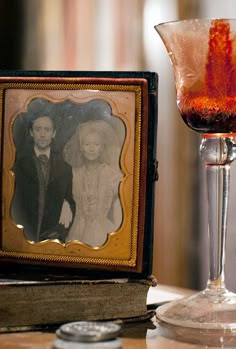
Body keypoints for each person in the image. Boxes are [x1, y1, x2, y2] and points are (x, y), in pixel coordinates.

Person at [11, 114, 75, 242]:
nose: (42, 134)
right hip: (22, 235)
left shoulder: (65, 169)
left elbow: (70, 204)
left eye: (47, 129)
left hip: (52, 237)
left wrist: (58, 233)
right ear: (31, 132)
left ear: (54, 133)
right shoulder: (18, 166)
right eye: (38, 129)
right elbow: (13, 203)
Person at [64, 119, 123, 247]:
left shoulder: (111, 174)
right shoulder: (74, 174)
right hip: (77, 231)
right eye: (87, 144)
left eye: (96, 144)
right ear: (81, 147)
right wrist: (65, 202)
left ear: (102, 148)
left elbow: (119, 204)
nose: (91, 149)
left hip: (101, 232)